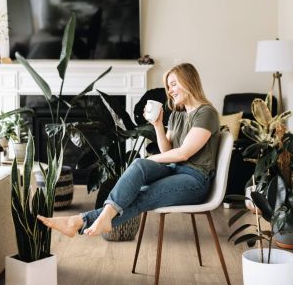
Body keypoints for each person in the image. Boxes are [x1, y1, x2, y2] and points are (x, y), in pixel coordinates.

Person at [37, 63, 220, 237]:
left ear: (189, 82)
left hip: (195, 179)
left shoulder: (206, 113)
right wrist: (157, 125)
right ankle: (93, 219)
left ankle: (78, 221)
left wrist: (153, 159)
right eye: (168, 86)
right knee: (139, 164)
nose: (170, 91)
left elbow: (183, 153)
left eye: (173, 84)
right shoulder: (177, 114)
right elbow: (168, 151)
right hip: (174, 170)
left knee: (143, 195)